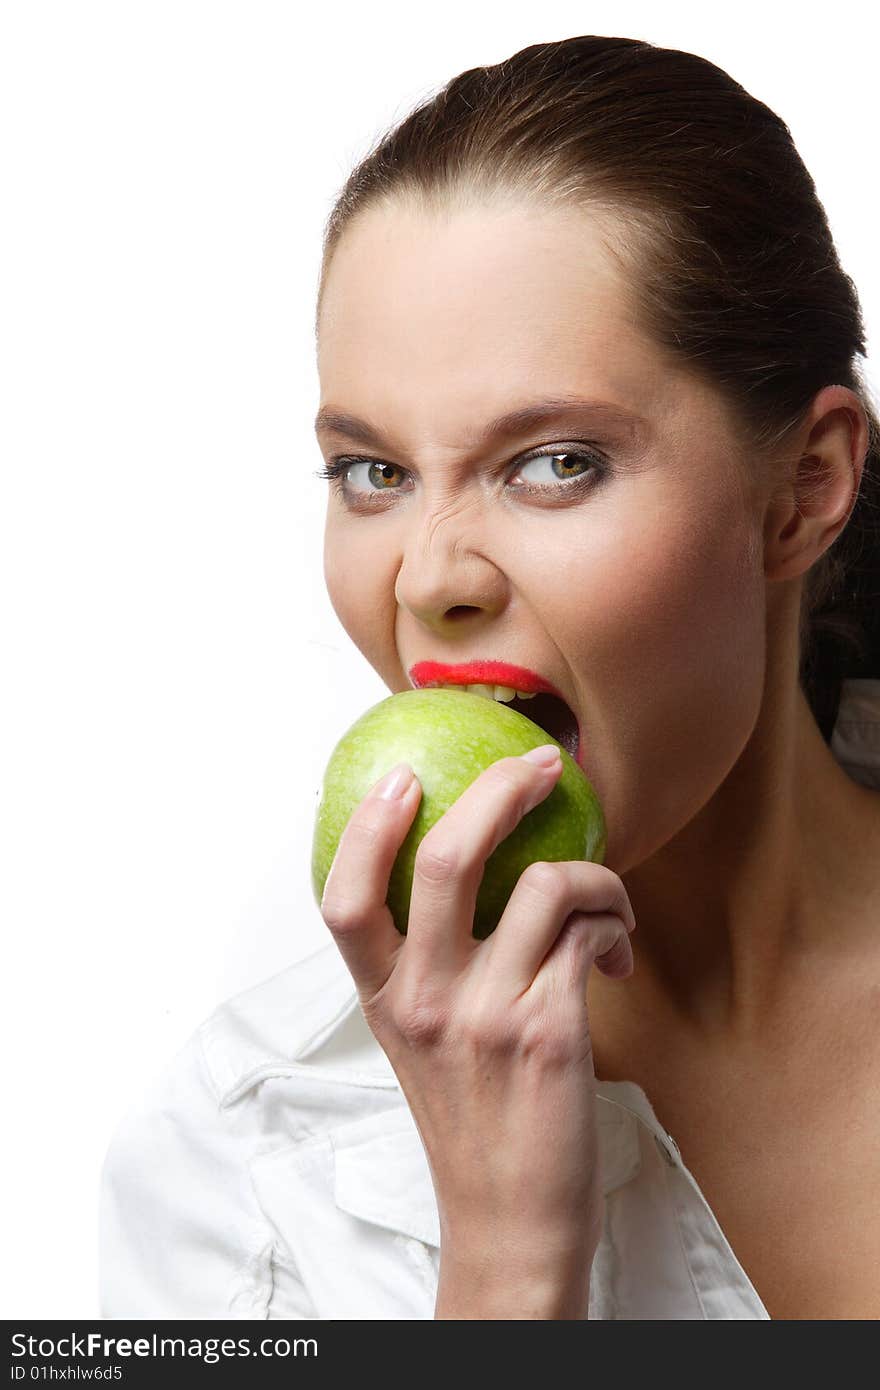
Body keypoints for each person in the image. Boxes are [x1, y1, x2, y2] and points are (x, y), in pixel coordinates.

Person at [99, 34, 880, 1320]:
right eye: (374, 473)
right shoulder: (240, 1166)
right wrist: (508, 1258)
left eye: (554, 462)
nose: (426, 578)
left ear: (803, 489)